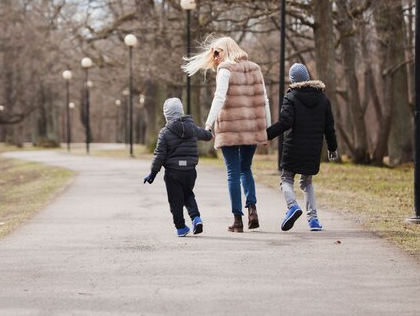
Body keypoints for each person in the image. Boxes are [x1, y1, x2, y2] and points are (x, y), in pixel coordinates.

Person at [182, 36, 270, 233]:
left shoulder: (225, 69)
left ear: (226, 50)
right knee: (246, 169)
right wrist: (267, 129)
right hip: (251, 128)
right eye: (213, 53)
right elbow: (265, 99)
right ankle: (252, 210)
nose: (215, 57)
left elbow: (219, 97)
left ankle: (238, 220)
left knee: (233, 173)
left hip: (231, 129)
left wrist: (208, 123)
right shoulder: (255, 68)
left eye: (217, 52)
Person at [266, 62, 338, 231]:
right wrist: (332, 148)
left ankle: (292, 206)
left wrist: (265, 135)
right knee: (307, 182)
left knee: (286, 179)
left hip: (293, 147)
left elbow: (285, 123)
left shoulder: (291, 97)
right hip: (313, 149)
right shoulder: (323, 99)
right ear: (307, 77)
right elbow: (329, 128)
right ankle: (313, 220)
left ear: (292, 79)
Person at [143, 98, 213, 237]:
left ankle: (181, 227)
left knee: (175, 200)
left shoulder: (165, 132)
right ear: (181, 111)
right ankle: (196, 218)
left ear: (166, 115)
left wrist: (153, 173)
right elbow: (205, 135)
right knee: (188, 194)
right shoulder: (192, 128)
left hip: (173, 173)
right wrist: (209, 133)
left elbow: (159, 155)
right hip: (190, 171)